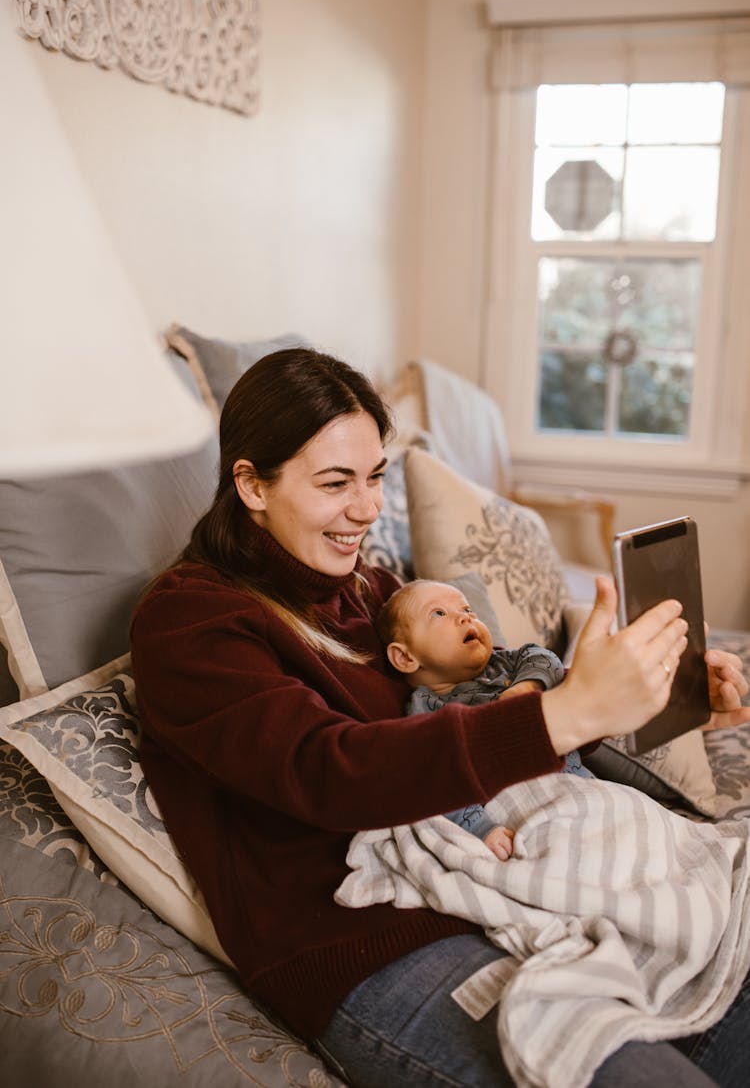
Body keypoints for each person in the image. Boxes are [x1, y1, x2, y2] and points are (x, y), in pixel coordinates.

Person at [130, 347, 750, 1088]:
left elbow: (489, 698)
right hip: (380, 940)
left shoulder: (376, 590)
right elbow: (331, 768)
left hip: (511, 879)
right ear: (250, 483)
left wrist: (657, 696)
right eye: (335, 483)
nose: (366, 510)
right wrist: (564, 711)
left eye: (375, 476)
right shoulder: (190, 622)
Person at [376, 578, 592, 861]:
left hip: (580, 786)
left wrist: (527, 687)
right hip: (522, 806)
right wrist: (481, 827)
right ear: (405, 657)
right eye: (438, 613)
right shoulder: (426, 709)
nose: (465, 617)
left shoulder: (504, 663)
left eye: (467, 609)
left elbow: (545, 658)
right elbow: (439, 776)